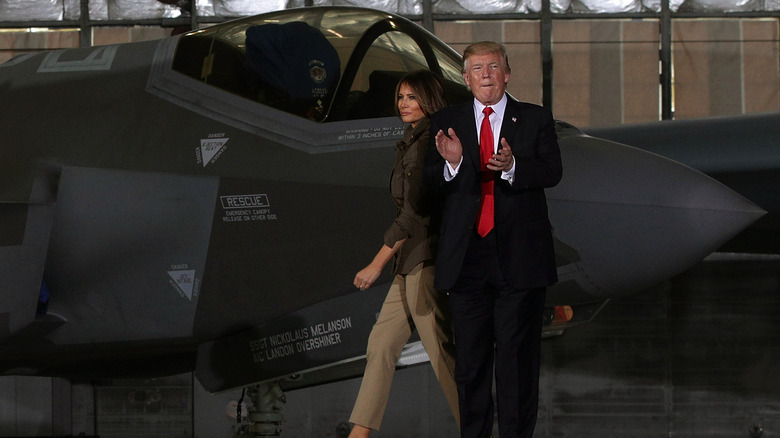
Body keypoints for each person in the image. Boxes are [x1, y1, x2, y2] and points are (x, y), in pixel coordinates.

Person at [424, 41, 562, 438]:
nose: (486, 74)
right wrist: (453, 162)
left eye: (494, 66)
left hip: (520, 258)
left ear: (507, 74)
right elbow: (429, 181)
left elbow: (552, 170)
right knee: (470, 365)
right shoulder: (446, 121)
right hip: (467, 259)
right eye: (478, 68)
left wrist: (514, 165)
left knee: (517, 363)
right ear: (465, 78)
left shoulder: (535, 119)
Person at [347, 70, 460, 437]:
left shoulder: (429, 140)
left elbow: (412, 214)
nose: (404, 104)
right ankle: (359, 434)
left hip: (423, 258)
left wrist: (375, 264)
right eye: (400, 97)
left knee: (441, 354)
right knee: (380, 346)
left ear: (429, 100)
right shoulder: (410, 140)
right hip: (407, 259)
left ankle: (477, 430)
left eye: (412, 97)